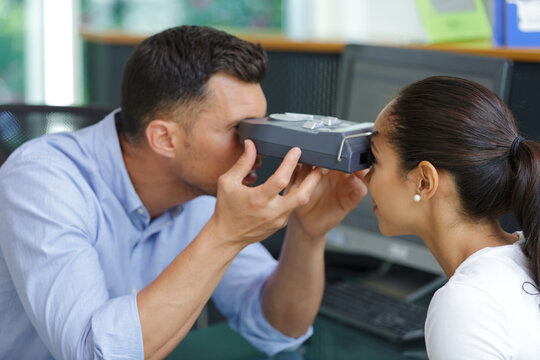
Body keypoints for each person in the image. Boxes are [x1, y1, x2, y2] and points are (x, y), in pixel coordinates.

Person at [0, 26, 368, 359]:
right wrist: (224, 236)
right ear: (164, 138)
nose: (256, 146)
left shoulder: (199, 195)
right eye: (239, 129)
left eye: (259, 126)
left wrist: (306, 233)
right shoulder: (43, 183)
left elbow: (276, 328)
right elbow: (94, 354)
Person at [365, 75, 540, 359]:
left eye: (374, 161)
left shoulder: (466, 304)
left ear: (424, 181)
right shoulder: (522, 256)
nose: (364, 178)